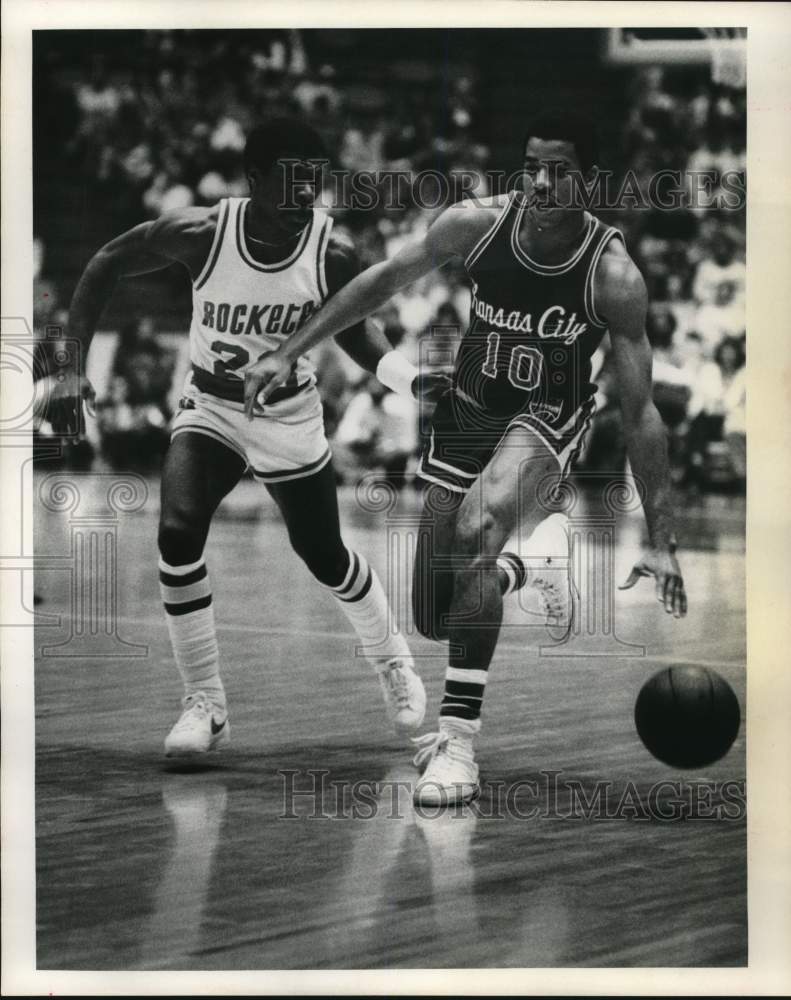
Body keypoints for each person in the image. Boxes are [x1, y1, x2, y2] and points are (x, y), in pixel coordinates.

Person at [245, 110, 688, 805]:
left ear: (590, 179)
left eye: (559, 170)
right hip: (469, 411)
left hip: (548, 416)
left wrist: (661, 537)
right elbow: (379, 282)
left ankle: (458, 741)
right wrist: (287, 350)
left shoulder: (612, 274)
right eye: (531, 166)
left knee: (476, 529)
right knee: (434, 613)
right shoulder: (475, 223)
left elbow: (639, 413)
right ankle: (531, 562)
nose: (540, 182)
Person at [48, 117, 444, 757]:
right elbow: (106, 262)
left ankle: (391, 656)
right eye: (290, 188)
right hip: (212, 406)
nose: (303, 204)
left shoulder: (330, 251)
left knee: (324, 555)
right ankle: (205, 702)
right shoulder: (204, 233)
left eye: (313, 189)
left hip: (290, 417)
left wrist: (407, 379)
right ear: (253, 180)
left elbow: (356, 332)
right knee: (176, 531)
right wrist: (67, 365)